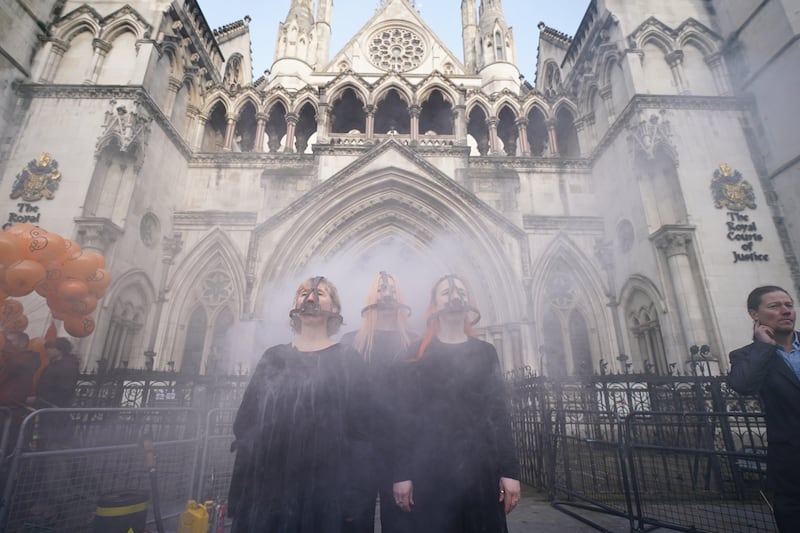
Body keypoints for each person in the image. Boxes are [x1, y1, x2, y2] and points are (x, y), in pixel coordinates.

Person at [228, 276, 369, 533]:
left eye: (321, 293)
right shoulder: (274, 357)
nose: (310, 297)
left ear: (335, 310)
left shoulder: (348, 360)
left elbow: (359, 434)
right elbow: (246, 425)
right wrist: (240, 492)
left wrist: (352, 499)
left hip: (322, 494)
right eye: (303, 292)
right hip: (267, 490)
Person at [392, 274, 521, 533]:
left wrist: (510, 471)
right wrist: (401, 474)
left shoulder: (486, 352)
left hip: (480, 469)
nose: (455, 296)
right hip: (431, 470)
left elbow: (498, 414)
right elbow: (404, 418)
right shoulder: (416, 354)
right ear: (434, 305)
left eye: (461, 291)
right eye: (446, 292)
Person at [341, 272, 416, 533]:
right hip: (358, 450)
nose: (387, 293)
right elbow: (343, 400)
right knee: (355, 522)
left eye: (393, 289)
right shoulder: (351, 343)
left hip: (401, 450)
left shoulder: (416, 343)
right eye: (381, 288)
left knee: (401, 523)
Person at [728, 285, 800, 532]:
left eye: (789, 305)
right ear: (754, 314)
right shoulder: (747, 355)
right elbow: (742, 384)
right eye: (774, 306)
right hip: (792, 466)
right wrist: (763, 346)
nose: (786, 311)